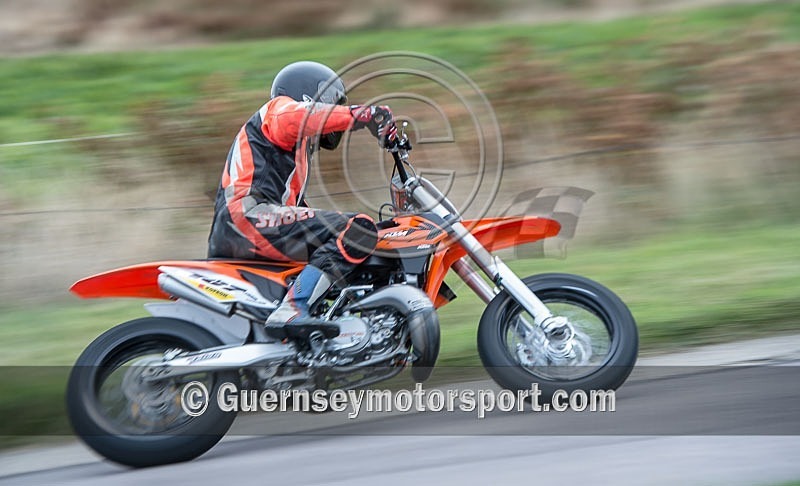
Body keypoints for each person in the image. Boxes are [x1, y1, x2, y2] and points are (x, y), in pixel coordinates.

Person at [207, 60, 396, 324]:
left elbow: (300, 212)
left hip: (252, 222)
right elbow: (299, 117)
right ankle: (293, 309)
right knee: (358, 228)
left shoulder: (297, 150)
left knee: (357, 234)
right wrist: (361, 115)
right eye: (332, 103)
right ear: (310, 97)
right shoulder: (278, 111)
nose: (336, 109)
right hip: (247, 218)